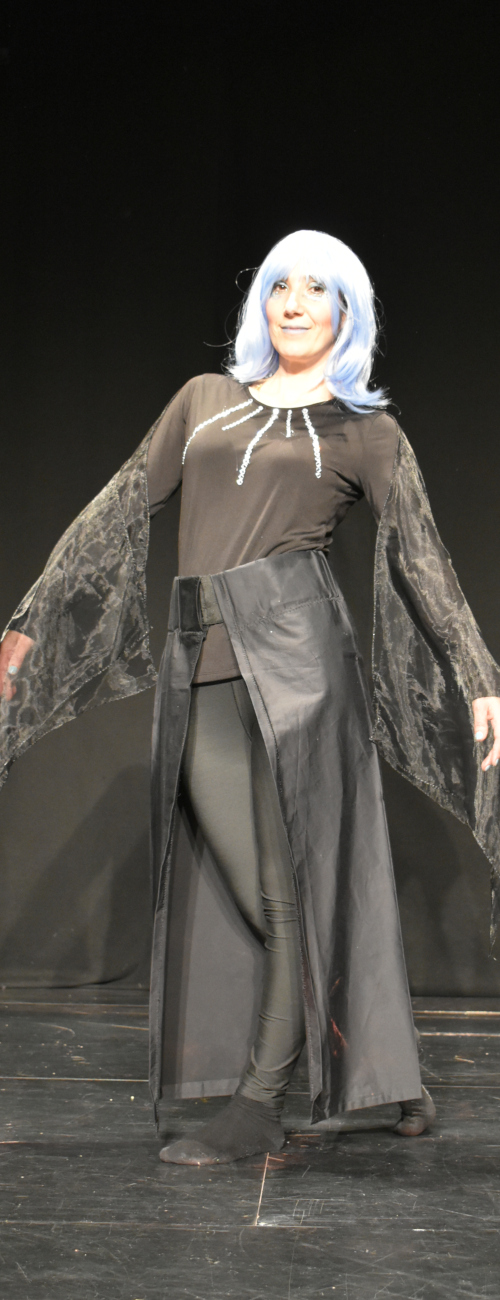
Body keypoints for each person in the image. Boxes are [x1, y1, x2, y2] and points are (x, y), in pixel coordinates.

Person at [1, 229, 500, 1168]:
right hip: (202, 662)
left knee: (287, 895)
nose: (294, 302)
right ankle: (391, 1078)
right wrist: (33, 617)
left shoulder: (365, 431)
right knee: (262, 891)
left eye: (318, 289)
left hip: (300, 669)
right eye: (280, 285)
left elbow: (423, 559)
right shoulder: (204, 400)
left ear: (347, 314)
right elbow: (118, 506)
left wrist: (479, 677)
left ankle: (261, 1104)